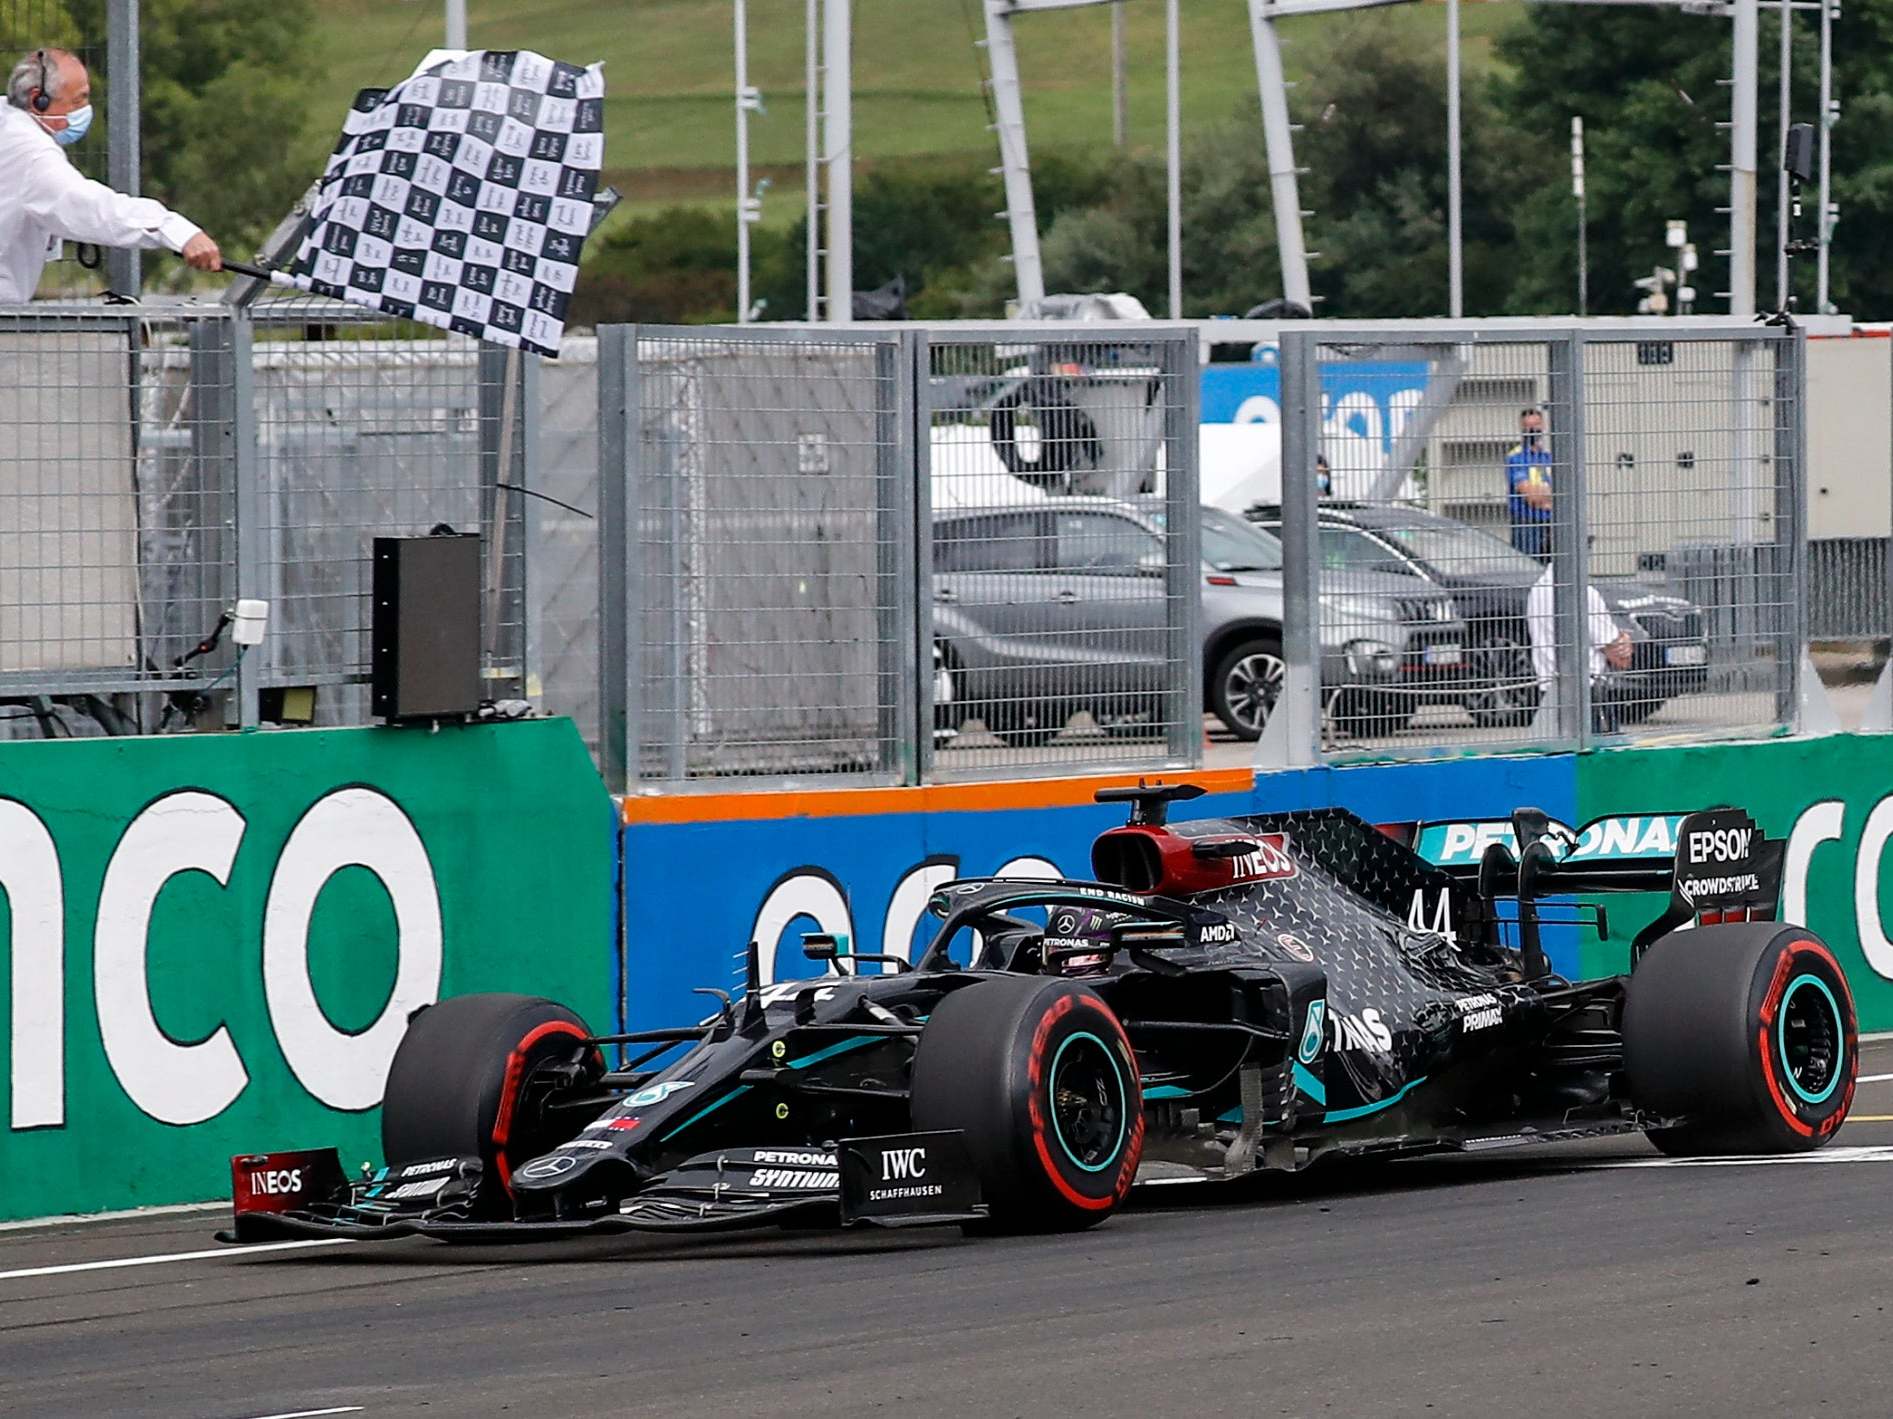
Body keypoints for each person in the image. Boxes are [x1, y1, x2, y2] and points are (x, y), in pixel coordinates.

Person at [0, 47, 221, 302]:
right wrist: (173, 229)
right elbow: (94, 208)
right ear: (38, 99)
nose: (84, 110)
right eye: (78, 100)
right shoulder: (32, 154)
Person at [1525, 562, 1638, 733]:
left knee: (1557, 752)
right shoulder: (1583, 593)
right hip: (1588, 692)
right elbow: (1619, 656)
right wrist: (1625, 639)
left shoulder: (1537, 590)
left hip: (1549, 690)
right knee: (1601, 754)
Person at [1505, 407, 1554, 561]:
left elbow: (1563, 493)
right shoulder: (1516, 457)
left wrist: (1545, 496)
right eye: (1529, 426)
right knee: (1529, 567)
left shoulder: (1548, 456)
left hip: (1550, 523)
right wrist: (1547, 496)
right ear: (1522, 428)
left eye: (1537, 425)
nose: (1534, 430)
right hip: (1526, 523)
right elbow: (1530, 496)